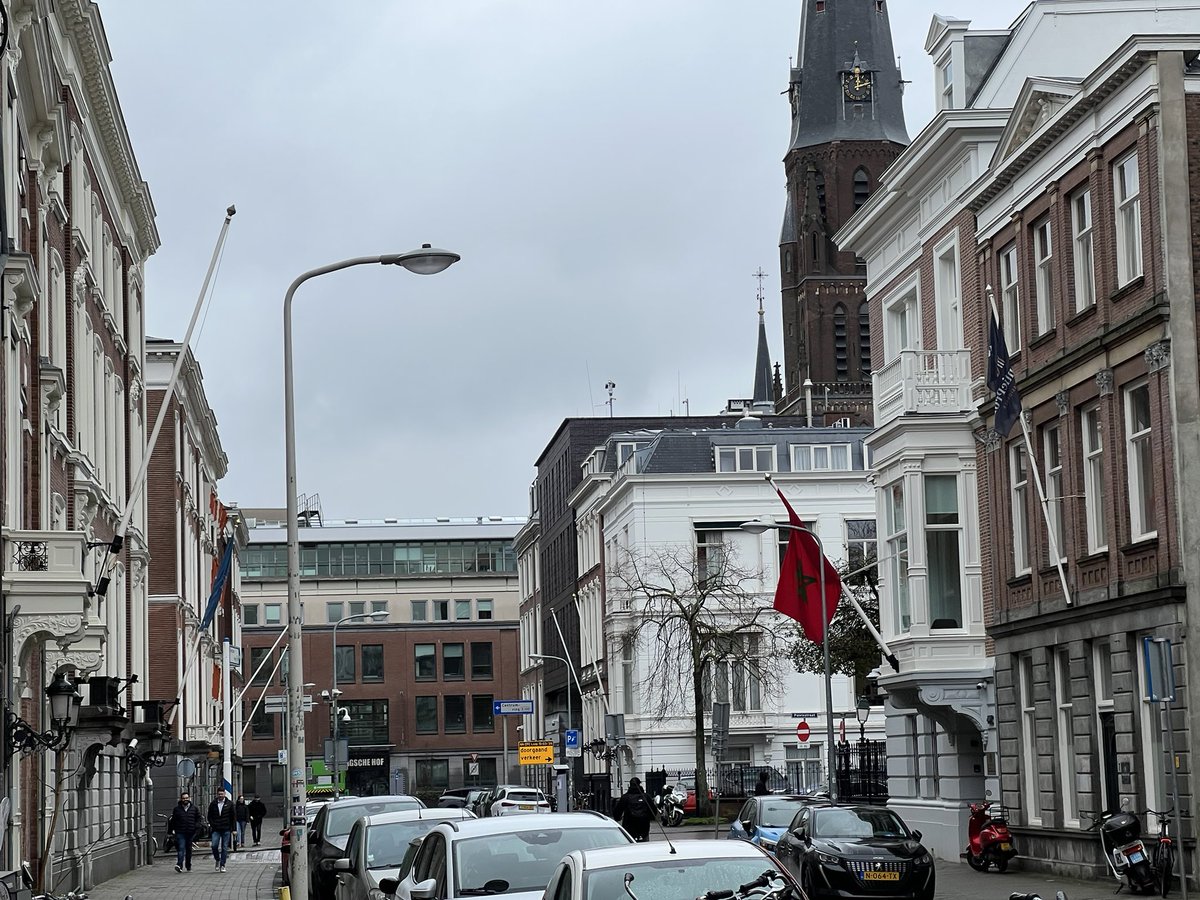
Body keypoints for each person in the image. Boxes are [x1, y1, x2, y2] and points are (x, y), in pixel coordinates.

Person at [168, 791, 202, 873]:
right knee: (181, 848)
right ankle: (179, 864)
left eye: (186, 798)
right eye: (183, 798)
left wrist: (196, 827)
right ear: (181, 799)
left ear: (189, 798)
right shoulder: (177, 809)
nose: (185, 800)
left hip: (190, 832)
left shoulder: (194, 808)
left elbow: (198, 819)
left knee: (189, 850)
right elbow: (173, 821)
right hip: (180, 832)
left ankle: (188, 865)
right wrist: (170, 831)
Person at [613, 777, 654, 842]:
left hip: (629, 827)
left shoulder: (625, 797)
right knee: (645, 845)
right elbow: (653, 811)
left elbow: (617, 812)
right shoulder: (646, 797)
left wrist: (618, 818)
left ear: (630, 785)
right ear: (639, 784)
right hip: (644, 828)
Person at [208, 787, 236, 872]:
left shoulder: (230, 804)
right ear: (217, 794)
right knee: (214, 845)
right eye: (219, 794)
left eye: (222, 794)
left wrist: (234, 829)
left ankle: (222, 865)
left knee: (224, 847)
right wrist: (213, 824)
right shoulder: (213, 804)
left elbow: (233, 817)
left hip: (226, 828)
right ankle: (217, 859)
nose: (220, 795)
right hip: (216, 829)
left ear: (224, 794)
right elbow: (209, 816)